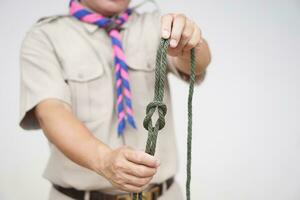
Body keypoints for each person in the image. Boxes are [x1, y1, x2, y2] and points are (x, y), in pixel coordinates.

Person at [19, 0, 211, 199]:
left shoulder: (159, 26)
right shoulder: (45, 36)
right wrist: (104, 160)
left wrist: (192, 45)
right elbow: (51, 111)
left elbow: (197, 65)